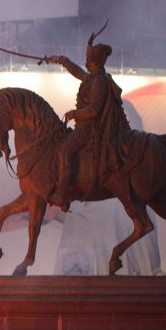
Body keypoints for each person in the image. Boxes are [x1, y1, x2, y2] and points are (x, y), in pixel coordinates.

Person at [45, 32, 131, 209]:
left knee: (64, 151)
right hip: (84, 126)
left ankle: (62, 194)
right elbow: (78, 72)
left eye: (88, 60)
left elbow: (94, 110)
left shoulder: (99, 82)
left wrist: (74, 114)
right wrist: (61, 60)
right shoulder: (93, 77)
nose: (86, 63)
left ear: (96, 62)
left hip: (90, 129)